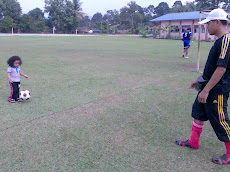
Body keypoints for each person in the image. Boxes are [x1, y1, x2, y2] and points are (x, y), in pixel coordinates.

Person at [175, 8, 230, 165]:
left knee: (221, 120)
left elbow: (221, 69)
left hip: (217, 91)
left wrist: (206, 90)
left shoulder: (226, 41)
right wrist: (199, 79)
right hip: (207, 87)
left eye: (208, 24)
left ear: (217, 22)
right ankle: (193, 142)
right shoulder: (219, 41)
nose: (206, 27)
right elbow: (213, 67)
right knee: (198, 112)